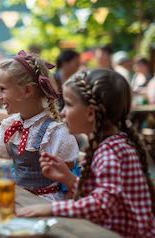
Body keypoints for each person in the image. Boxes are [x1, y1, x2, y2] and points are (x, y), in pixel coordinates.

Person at [17, 69, 155, 237]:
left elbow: (103, 204)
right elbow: (104, 195)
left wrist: (51, 208)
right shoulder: (112, 145)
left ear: (90, 112)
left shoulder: (110, 151)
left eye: (68, 104)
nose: (62, 112)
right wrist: (68, 178)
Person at [0, 50, 79, 201]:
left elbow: (71, 178)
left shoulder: (55, 133)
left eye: (3, 89)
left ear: (26, 91)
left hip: (43, 202)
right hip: (19, 198)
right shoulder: (11, 126)